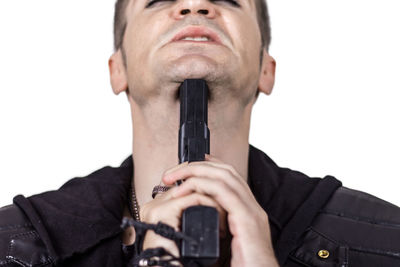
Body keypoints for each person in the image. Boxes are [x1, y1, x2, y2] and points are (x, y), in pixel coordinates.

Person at [1, 0, 400, 267]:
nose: (195, 6)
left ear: (267, 69)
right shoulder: (11, 245)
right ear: (116, 70)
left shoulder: (386, 241)